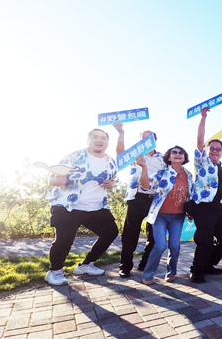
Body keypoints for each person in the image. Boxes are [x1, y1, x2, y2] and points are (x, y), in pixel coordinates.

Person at [44, 129, 119, 286]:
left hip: (96, 207)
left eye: (103, 138)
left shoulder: (110, 161)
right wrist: (57, 181)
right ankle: (54, 272)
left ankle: (86, 265)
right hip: (69, 206)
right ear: (88, 140)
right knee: (64, 240)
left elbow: (113, 181)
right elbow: (52, 178)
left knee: (111, 232)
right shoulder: (74, 157)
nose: (99, 141)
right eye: (95, 137)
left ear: (107, 142)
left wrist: (111, 184)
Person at [137, 146, 195, 284]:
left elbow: (191, 195)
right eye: (174, 152)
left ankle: (171, 272)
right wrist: (144, 168)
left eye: (181, 152)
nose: (178, 154)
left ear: (185, 158)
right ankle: (148, 274)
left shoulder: (188, 175)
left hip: (178, 217)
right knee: (160, 245)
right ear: (168, 157)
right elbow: (146, 185)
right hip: (160, 216)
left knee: (175, 246)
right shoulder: (162, 173)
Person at [113, 122, 163, 278]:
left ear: (154, 140)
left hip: (155, 199)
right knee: (130, 233)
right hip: (137, 198)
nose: (145, 140)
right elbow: (120, 155)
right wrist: (121, 133)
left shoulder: (163, 158)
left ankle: (145, 263)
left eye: (148, 137)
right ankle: (125, 266)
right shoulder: (135, 156)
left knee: (154, 235)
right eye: (142, 138)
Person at [189, 107, 222, 283]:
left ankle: (208, 264)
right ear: (207, 150)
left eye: (218, 149)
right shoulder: (202, 161)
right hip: (202, 206)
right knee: (205, 239)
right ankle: (196, 270)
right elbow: (199, 139)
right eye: (212, 148)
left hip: (218, 208)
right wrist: (203, 118)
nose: (215, 151)